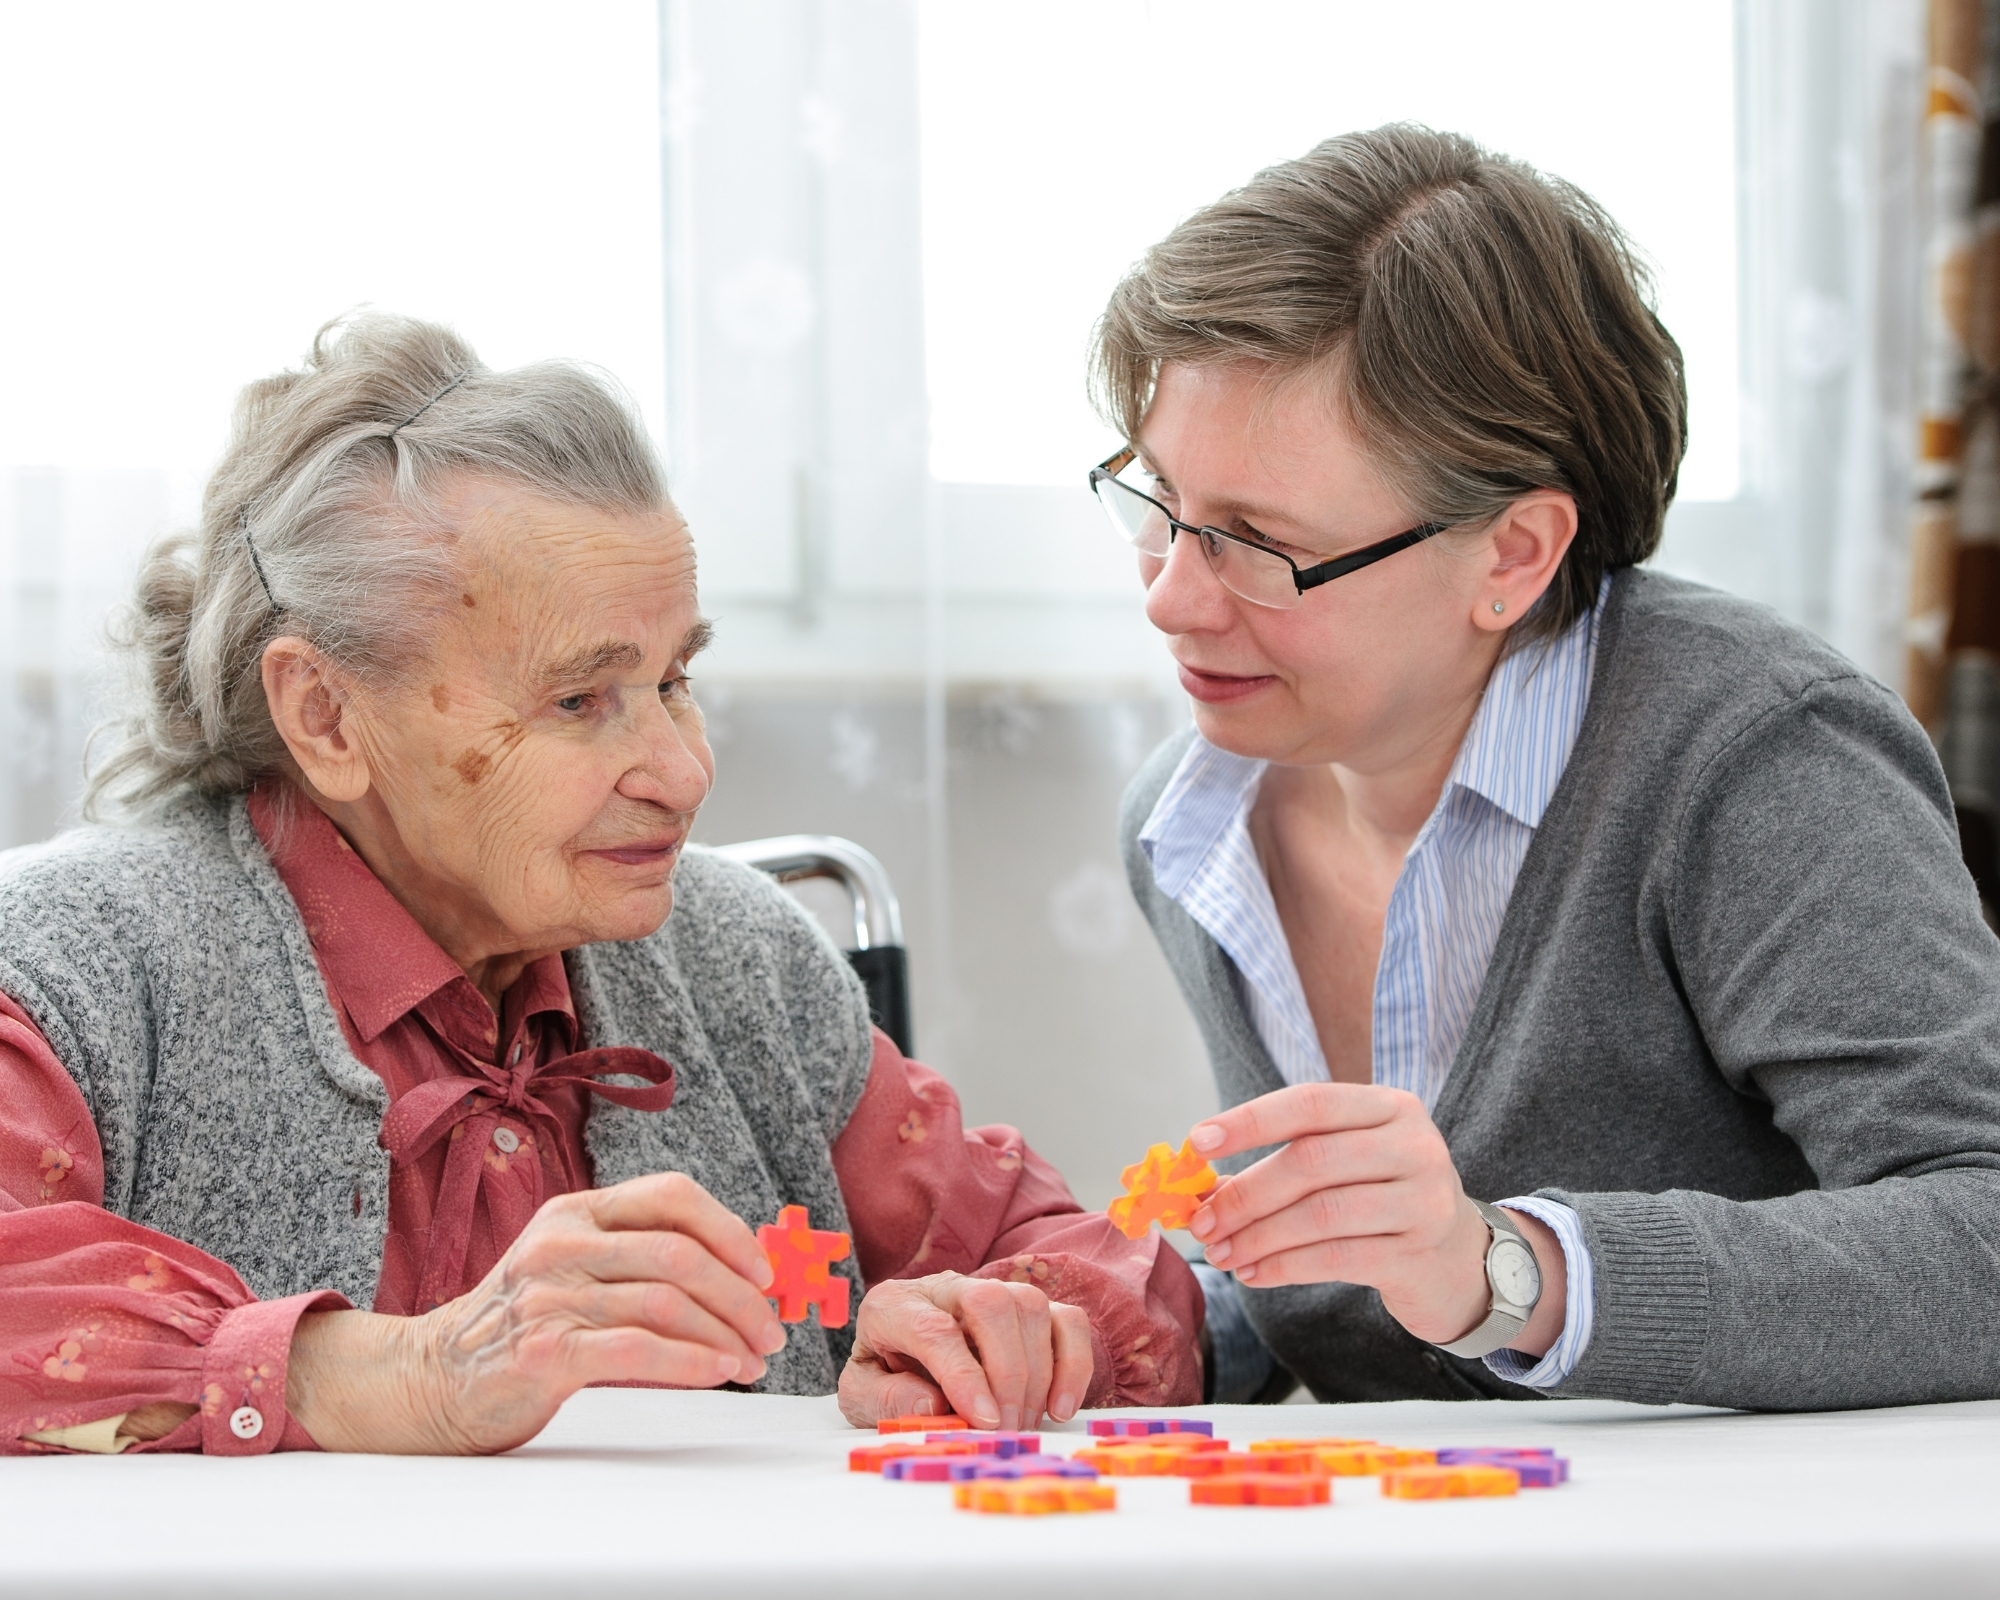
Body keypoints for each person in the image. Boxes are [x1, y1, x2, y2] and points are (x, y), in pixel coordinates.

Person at [0, 314, 1200, 1458]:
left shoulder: (740, 961)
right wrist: (399, 1372)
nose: (684, 773)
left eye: (677, 679)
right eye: (580, 700)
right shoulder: (70, 966)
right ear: (324, 714)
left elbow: (1089, 1264)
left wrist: (1005, 1337)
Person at [1094, 124, 2000, 1409]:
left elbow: (1982, 1235)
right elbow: (1358, 1298)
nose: (1172, 599)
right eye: (1160, 505)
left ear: (1513, 554)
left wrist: (1512, 1271)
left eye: (1258, 544)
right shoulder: (1188, 824)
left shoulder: (1750, 763)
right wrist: (1119, 1328)